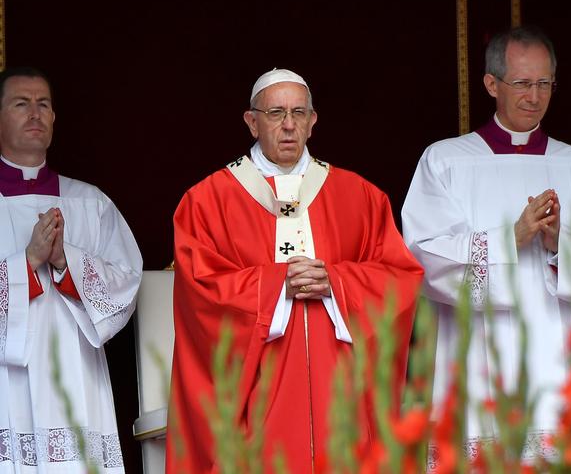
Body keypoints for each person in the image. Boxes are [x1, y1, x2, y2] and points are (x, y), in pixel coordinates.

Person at [167, 68, 423, 473]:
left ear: (313, 121)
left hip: (338, 388)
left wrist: (337, 283)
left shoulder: (360, 197)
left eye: (299, 113)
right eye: (275, 113)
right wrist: (274, 285)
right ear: (251, 122)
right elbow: (199, 289)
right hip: (259, 393)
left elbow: (399, 277)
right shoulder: (208, 201)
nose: (288, 125)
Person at [401, 25, 571, 460]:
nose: (535, 96)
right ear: (491, 84)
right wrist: (509, 238)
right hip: (473, 362)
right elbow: (423, 254)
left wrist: (558, 246)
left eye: (545, 84)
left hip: (558, 358)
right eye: (523, 84)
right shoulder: (446, 161)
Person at [0, 67, 143, 472]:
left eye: (43, 104)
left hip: (75, 372)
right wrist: (27, 262)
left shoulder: (89, 203)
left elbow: (125, 285)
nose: (35, 114)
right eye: (21, 104)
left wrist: (66, 261)